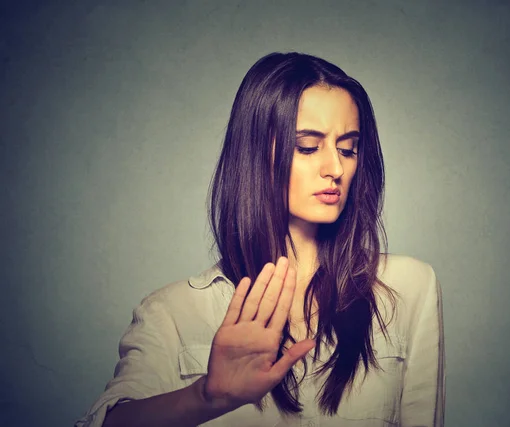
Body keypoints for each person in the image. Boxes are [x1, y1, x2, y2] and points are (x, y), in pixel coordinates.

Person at [75, 52, 445, 427]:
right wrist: (205, 397)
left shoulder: (408, 288)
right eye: (308, 146)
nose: (335, 168)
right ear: (255, 153)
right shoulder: (172, 312)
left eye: (348, 148)